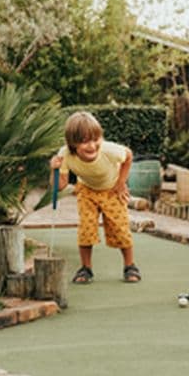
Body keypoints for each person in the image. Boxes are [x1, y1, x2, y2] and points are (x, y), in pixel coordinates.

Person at [49, 111, 141, 284]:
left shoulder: (109, 150)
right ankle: (86, 268)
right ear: (72, 143)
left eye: (95, 139)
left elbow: (128, 156)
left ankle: (130, 266)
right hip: (86, 190)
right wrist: (53, 169)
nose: (92, 146)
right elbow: (59, 186)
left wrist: (121, 183)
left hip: (111, 189)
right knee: (86, 229)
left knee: (120, 228)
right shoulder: (65, 155)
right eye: (84, 141)